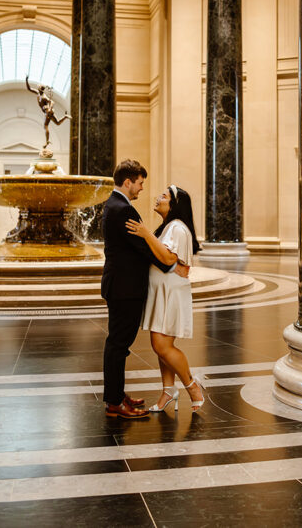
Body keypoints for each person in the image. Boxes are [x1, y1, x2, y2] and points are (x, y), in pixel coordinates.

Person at [101, 159, 189, 419]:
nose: (142, 188)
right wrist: (171, 266)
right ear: (127, 182)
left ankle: (116, 394)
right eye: (139, 183)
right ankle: (115, 403)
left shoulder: (114, 204)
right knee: (118, 345)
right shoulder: (123, 210)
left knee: (117, 344)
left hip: (119, 285)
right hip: (125, 288)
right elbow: (143, 249)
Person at [125, 185, 206, 413]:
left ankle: (192, 386)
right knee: (162, 346)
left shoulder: (178, 228)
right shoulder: (169, 227)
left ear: (174, 205)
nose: (158, 197)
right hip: (163, 291)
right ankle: (168, 391)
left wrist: (146, 234)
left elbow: (169, 259)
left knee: (161, 345)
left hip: (170, 292)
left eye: (164, 196)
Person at [25, 76, 71, 149]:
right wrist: (26, 80)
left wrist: (49, 108)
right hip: (48, 112)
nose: (37, 89)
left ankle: (47, 141)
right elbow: (29, 89)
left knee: (45, 126)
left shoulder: (44, 97)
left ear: (40, 90)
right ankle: (65, 117)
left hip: (48, 111)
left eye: (38, 88)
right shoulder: (38, 93)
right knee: (58, 123)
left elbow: (52, 102)